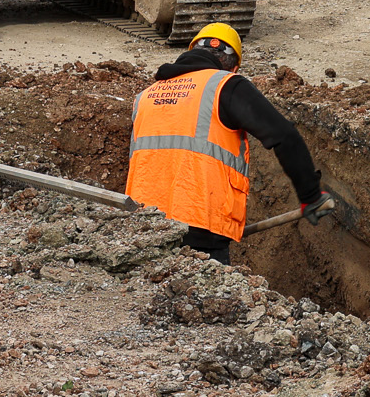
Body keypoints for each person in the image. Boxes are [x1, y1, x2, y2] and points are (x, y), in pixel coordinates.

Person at [125, 23, 331, 264]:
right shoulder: (226, 85)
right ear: (233, 67)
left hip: (141, 227)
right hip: (201, 227)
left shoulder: (146, 96)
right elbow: (283, 136)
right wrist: (311, 195)